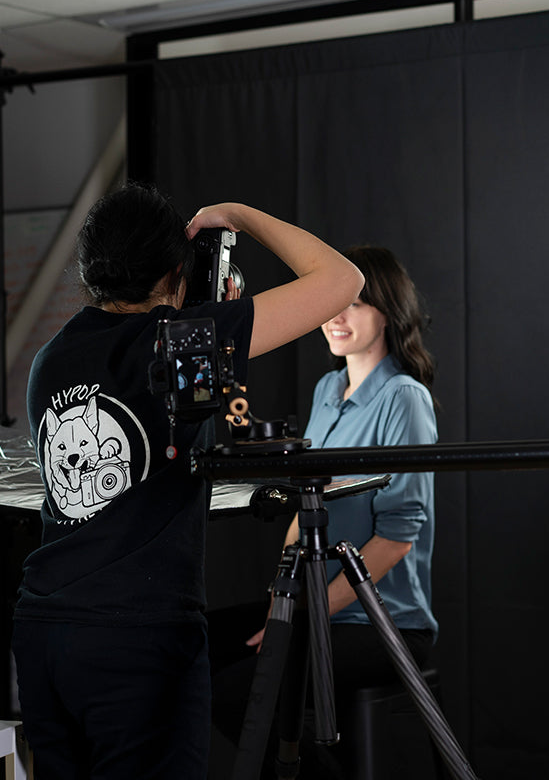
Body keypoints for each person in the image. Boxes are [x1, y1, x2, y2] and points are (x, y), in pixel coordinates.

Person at [13, 183, 363, 780]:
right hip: (139, 636)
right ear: (178, 269)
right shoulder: (184, 341)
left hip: (46, 628)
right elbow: (342, 282)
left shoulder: (53, 357)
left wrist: (203, 313)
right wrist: (240, 216)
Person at [216, 244, 438, 777]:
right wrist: (280, 601)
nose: (337, 317)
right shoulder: (327, 389)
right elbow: (305, 505)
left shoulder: (403, 398)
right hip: (315, 603)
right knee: (192, 644)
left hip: (382, 623)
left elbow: (396, 540)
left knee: (236, 695)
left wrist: (299, 616)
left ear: (389, 312)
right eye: (333, 304)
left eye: (356, 305)